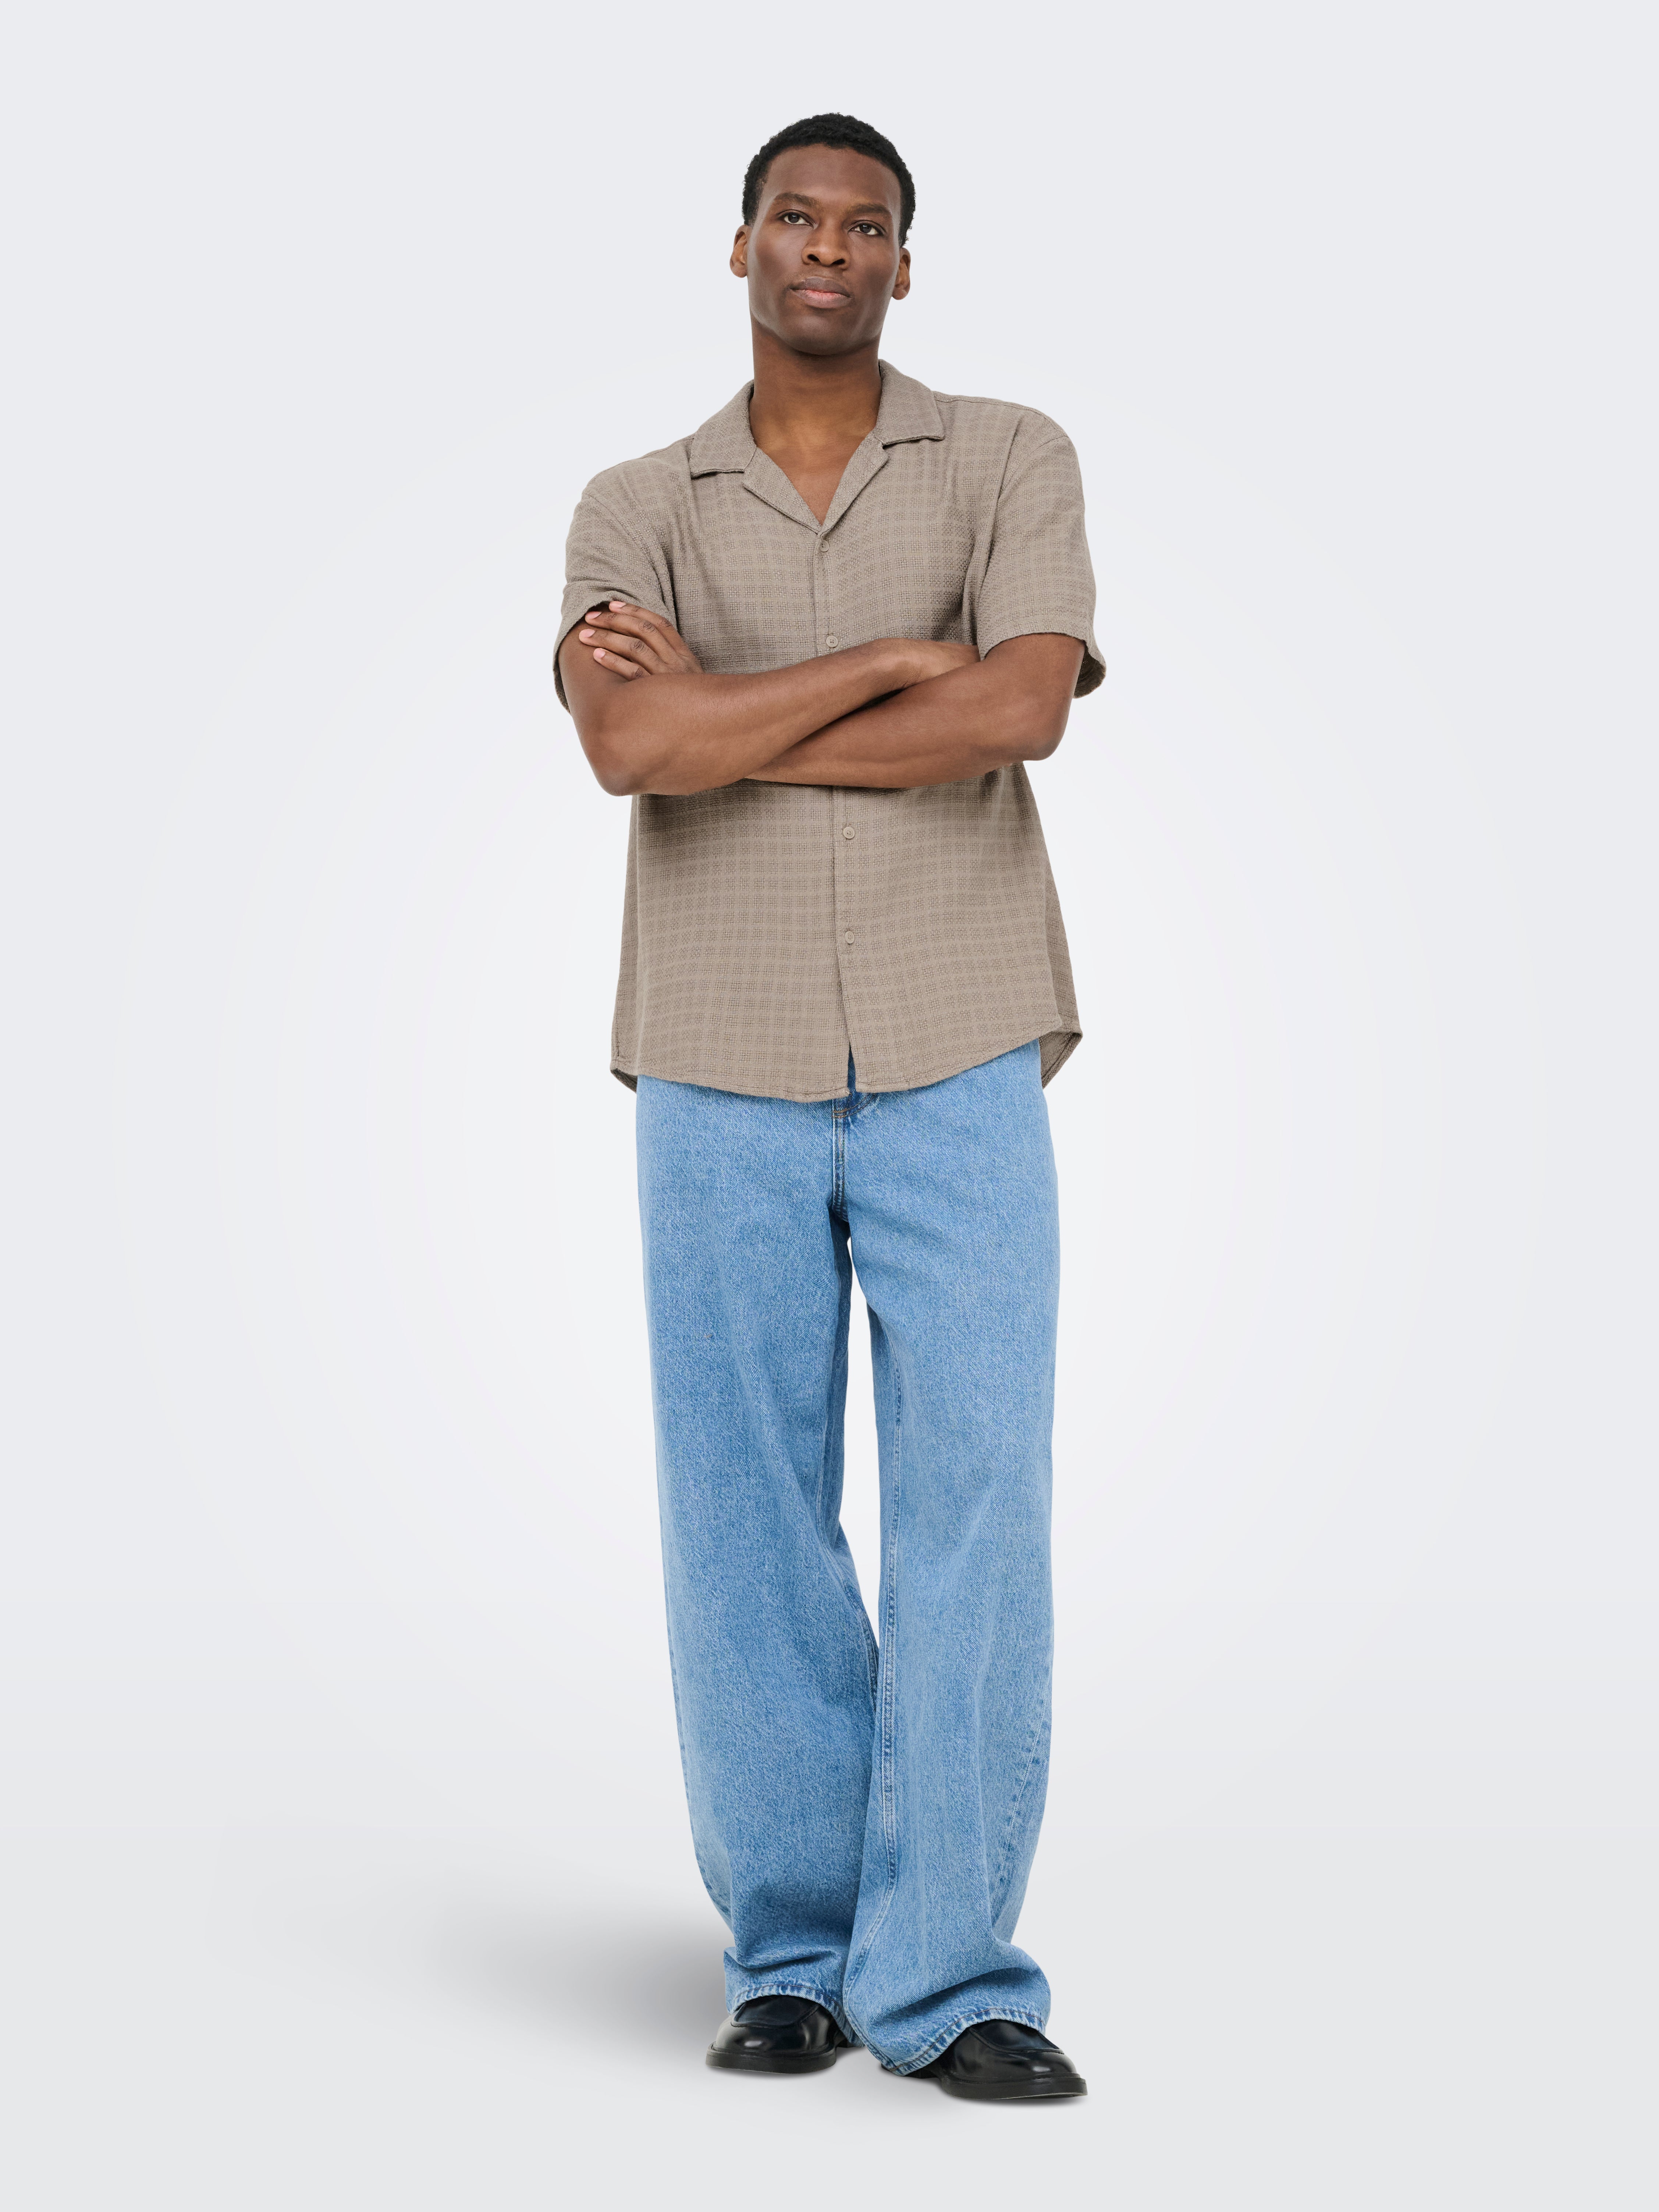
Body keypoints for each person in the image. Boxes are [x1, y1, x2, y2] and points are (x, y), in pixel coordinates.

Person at [555, 113, 1102, 2103]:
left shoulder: (1012, 458)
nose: (829, 247)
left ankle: (949, 1975)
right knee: (744, 1514)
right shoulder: (635, 505)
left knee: (980, 1507)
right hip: (717, 1051)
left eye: (867, 226)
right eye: (797, 216)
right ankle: (792, 1955)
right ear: (740, 247)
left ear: (903, 265)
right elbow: (630, 743)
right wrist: (886, 665)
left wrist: (737, 711)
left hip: (964, 1038)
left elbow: (1019, 707)